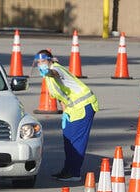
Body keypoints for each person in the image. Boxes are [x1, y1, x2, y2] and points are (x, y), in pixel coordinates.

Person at [34, 49, 99, 182]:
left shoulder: (56, 69)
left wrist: (49, 71)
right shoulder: (47, 78)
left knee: (76, 142)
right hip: (72, 109)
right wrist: (65, 113)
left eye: (43, 61)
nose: (41, 64)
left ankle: (74, 173)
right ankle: (67, 170)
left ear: (50, 60)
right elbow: (61, 96)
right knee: (68, 140)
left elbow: (55, 74)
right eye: (39, 62)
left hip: (84, 106)